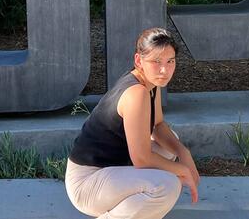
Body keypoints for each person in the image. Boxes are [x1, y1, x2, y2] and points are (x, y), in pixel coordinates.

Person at [65, 27, 200, 219]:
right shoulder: (136, 93)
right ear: (139, 60)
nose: (164, 70)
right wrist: (182, 169)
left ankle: (134, 209)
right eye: (156, 61)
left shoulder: (150, 83)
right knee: (168, 186)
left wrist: (183, 152)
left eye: (170, 61)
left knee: (171, 143)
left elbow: (159, 126)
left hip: (113, 170)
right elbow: (142, 159)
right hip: (88, 182)